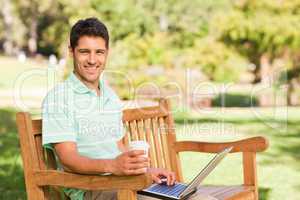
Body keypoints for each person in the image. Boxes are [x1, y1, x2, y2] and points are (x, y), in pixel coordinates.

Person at [42, 17, 176, 200]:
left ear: (106, 54)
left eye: (99, 52)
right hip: (92, 188)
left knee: (196, 197)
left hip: (123, 182)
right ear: (71, 52)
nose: (92, 59)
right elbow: (68, 159)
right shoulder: (59, 98)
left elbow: (118, 146)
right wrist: (112, 166)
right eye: (84, 52)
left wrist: (146, 171)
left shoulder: (110, 96)